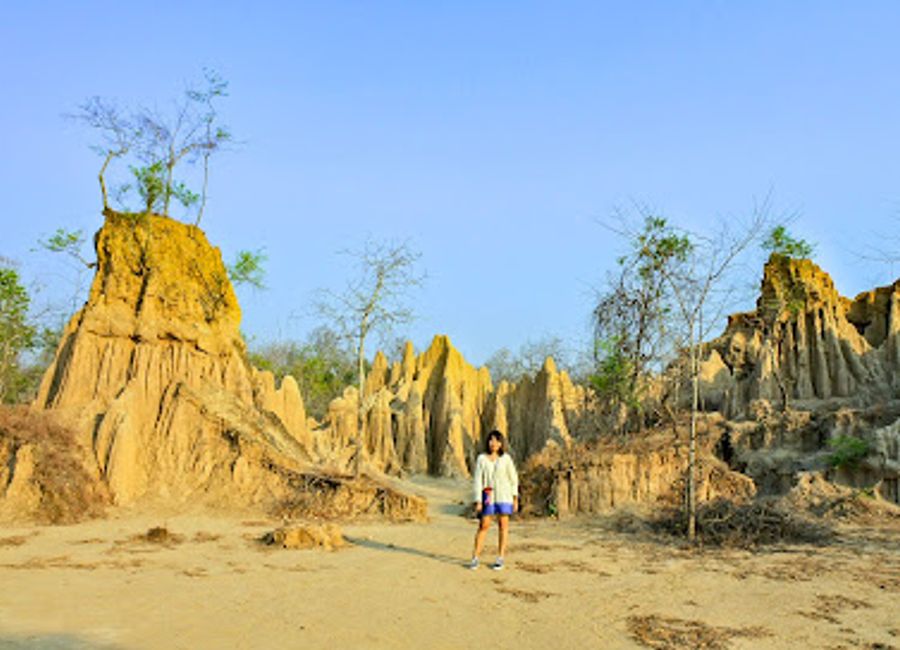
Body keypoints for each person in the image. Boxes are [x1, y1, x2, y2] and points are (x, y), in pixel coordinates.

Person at [469, 430, 519, 570]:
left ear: (501, 443)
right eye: (491, 440)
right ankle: (475, 557)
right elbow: (478, 480)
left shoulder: (506, 459)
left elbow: (513, 478)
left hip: (504, 496)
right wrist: (478, 500)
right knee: (483, 525)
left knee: (503, 527)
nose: (494, 443)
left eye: (497, 440)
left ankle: (500, 558)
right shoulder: (481, 459)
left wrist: (515, 498)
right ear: (488, 442)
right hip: (488, 496)